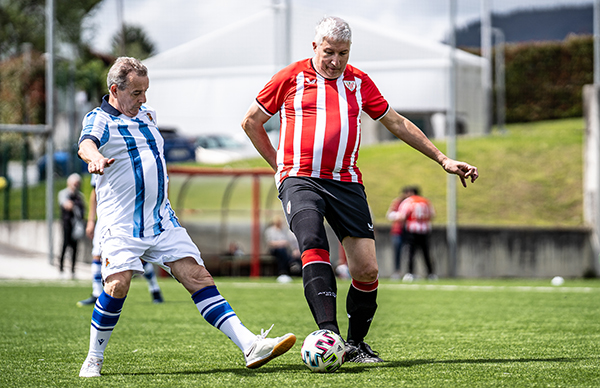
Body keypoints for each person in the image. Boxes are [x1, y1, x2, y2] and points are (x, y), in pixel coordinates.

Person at [241, 16, 478, 363]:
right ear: (314, 47)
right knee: (312, 240)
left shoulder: (358, 82)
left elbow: (396, 122)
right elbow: (251, 121)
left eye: (343, 53)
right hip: (300, 178)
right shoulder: (290, 77)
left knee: (366, 270)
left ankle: (354, 345)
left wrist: (442, 159)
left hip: (346, 182)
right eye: (329, 52)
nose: (335, 61)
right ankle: (329, 334)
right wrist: (280, 166)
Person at [77, 57, 295, 378]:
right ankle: (93, 359)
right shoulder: (100, 119)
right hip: (122, 225)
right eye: (137, 92)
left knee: (198, 277)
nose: (144, 99)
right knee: (117, 286)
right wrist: (94, 157)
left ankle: (250, 345)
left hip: (162, 221)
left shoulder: (148, 115)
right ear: (115, 90)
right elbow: (86, 144)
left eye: (146, 91)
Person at [77, 175, 164, 307]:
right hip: (104, 218)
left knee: (139, 256)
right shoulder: (98, 162)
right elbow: (95, 193)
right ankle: (96, 293)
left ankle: (154, 289)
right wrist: (90, 220)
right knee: (97, 254)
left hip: (126, 216)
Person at [397, 186, 436, 282]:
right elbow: (432, 214)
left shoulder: (408, 201)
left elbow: (402, 215)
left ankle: (410, 273)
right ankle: (431, 274)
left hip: (412, 229)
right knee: (426, 252)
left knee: (410, 252)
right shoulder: (426, 201)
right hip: (425, 229)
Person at [57, 173, 85, 279]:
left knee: (75, 247)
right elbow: (66, 205)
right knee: (64, 245)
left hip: (76, 226)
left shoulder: (80, 196)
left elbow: (82, 210)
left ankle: (73, 270)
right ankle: (61, 268)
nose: (76, 185)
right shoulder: (64, 194)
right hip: (66, 224)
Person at [386, 189, 408, 280]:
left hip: (408, 231)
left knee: (408, 253)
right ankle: (397, 271)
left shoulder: (410, 203)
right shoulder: (397, 202)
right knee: (397, 252)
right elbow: (389, 215)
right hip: (397, 231)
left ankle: (408, 272)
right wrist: (400, 215)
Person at [264, 216, 293, 283]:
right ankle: (282, 272)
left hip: (283, 249)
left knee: (285, 253)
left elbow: (287, 241)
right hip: (274, 250)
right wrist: (280, 243)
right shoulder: (270, 231)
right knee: (281, 252)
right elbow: (270, 243)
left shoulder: (284, 230)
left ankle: (286, 272)